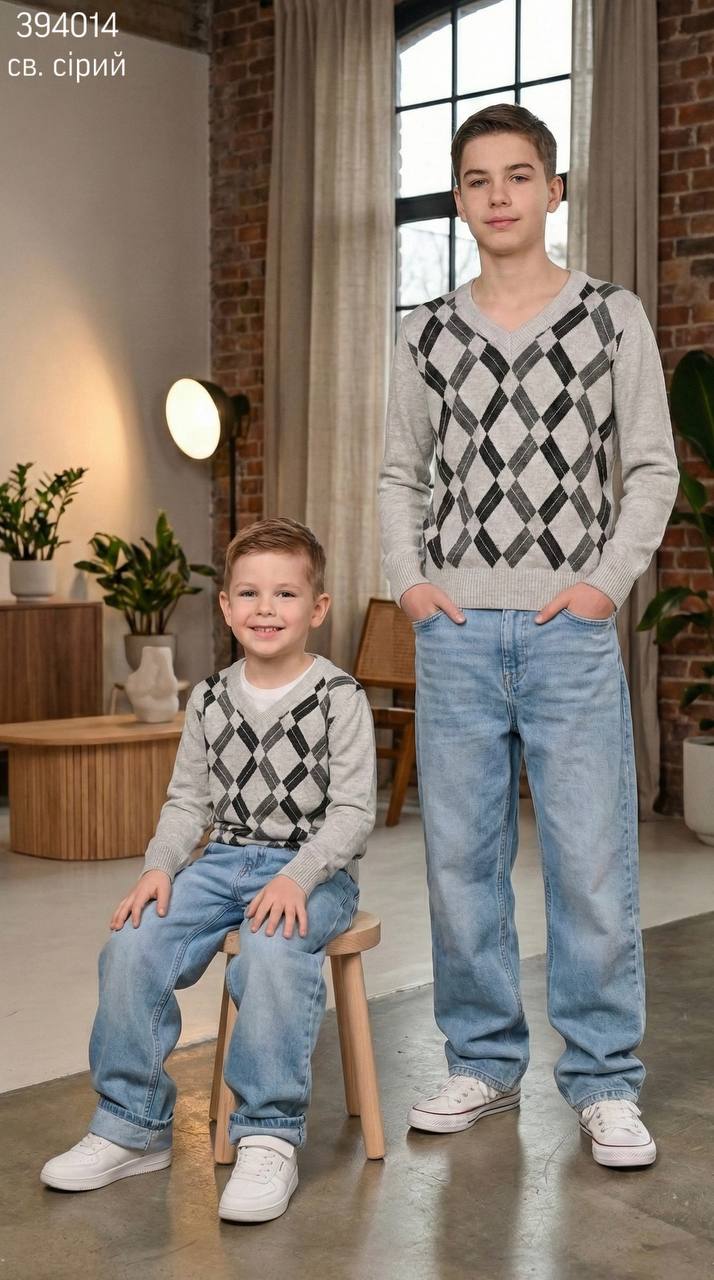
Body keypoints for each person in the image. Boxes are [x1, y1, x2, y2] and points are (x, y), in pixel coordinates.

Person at [378, 103, 679, 1168]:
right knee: (460, 862)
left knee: (592, 864)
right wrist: (413, 585)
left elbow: (651, 468)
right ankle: (483, 1060)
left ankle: (603, 1080)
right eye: (477, 179)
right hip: (456, 631)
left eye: (517, 176)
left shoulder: (611, 317)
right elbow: (401, 475)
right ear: (460, 202)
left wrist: (601, 588)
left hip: (568, 633)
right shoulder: (424, 331)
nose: (497, 195)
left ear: (553, 191)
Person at [40, 517, 377, 1220]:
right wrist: (158, 868)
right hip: (220, 862)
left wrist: (297, 878)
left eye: (285, 594)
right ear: (225, 606)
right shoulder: (210, 699)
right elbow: (187, 801)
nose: (265, 609)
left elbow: (352, 812)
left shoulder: (340, 697)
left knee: (273, 949)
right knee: (133, 943)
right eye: (249, 593)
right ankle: (131, 1125)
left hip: (312, 873)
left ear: (317, 609)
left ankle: (267, 1135)